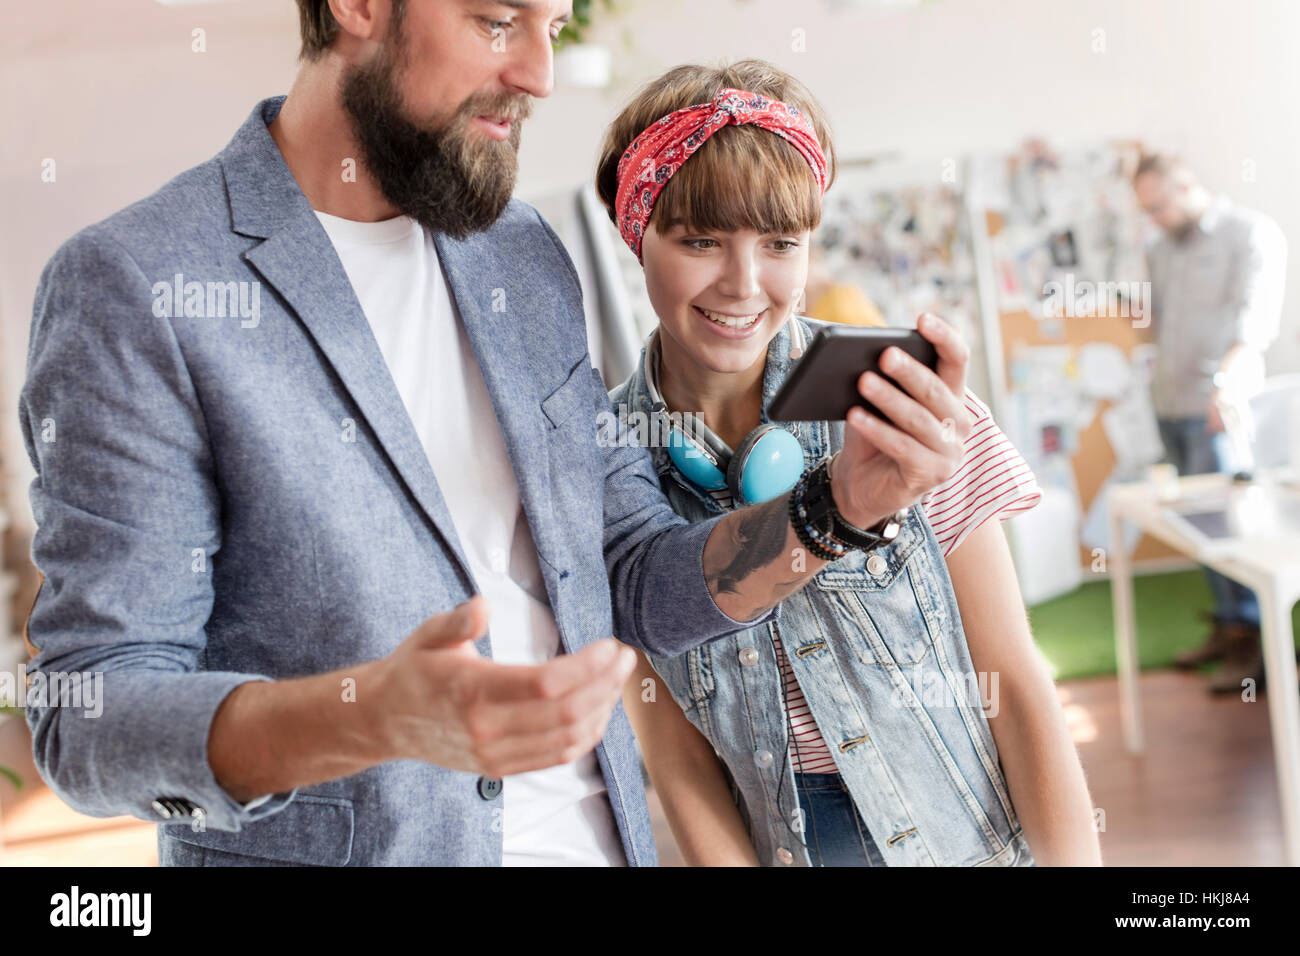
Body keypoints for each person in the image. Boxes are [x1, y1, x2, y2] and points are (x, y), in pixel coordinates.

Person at [18, 1, 971, 866]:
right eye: (496, 20)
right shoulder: (138, 286)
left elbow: (634, 571)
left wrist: (832, 510)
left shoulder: (518, 253)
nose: (539, 76)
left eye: (550, 27)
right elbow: (91, 714)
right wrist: (369, 717)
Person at [600, 60, 1101, 866]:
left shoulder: (905, 408)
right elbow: (676, 761)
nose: (744, 282)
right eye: (699, 240)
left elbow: (1015, 682)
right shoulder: (604, 462)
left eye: (780, 243)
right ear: (637, 234)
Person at [1133, 153, 1288, 693]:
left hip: (1219, 405)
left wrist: (1223, 387)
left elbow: (1255, 321)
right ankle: (1227, 628)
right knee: (1199, 529)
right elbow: (1157, 322)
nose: (1153, 217)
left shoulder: (1250, 234)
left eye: (1158, 205)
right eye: (1145, 209)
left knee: (1231, 529)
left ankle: (1256, 650)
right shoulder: (1160, 247)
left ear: (1187, 185)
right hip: (1170, 401)